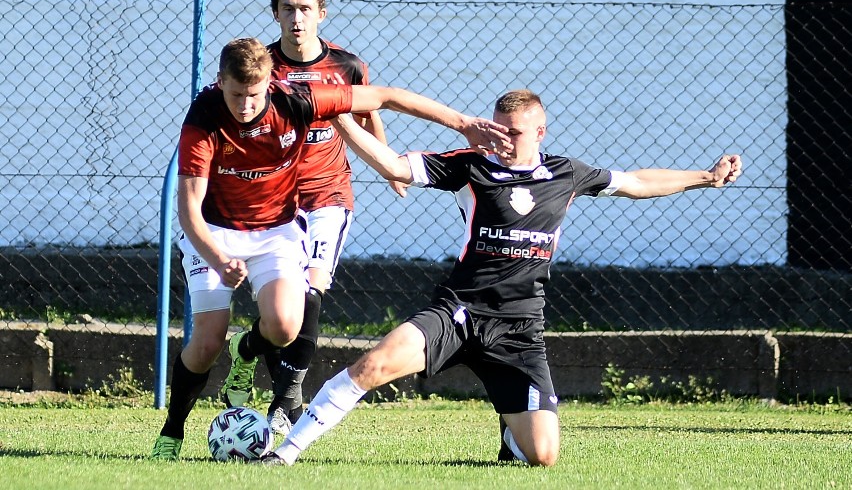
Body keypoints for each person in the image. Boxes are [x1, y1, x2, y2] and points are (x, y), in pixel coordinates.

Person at [257, 89, 743, 467]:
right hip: (459, 311)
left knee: (544, 456)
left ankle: (513, 431)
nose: (508, 138)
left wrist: (706, 176)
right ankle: (286, 452)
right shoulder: (470, 167)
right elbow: (392, 166)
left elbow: (637, 182)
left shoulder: (566, 174)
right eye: (501, 128)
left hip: (519, 328)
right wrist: (337, 117)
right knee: (372, 367)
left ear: (541, 132)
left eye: (518, 131)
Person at [150, 37, 511, 460]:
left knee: (285, 326)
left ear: (270, 82)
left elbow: (386, 97)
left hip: (276, 230)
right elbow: (189, 208)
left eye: (253, 95)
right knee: (205, 343)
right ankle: (172, 432)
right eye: (235, 94)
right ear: (220, 82)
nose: (245, 106)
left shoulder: (297, 100)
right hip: (214, 233)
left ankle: (244, 349)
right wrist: (219, 259)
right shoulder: (205, 117)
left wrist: (462, 123)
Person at [261, 0, 407, 436]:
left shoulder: (347, 66)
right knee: (276, 310)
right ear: (276, 14)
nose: (296, 18)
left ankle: (287, 395)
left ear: (321, 14)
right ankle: (251, 356)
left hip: (329, 193)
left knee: (311, 291)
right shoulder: (261, 67)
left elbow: (369, 114)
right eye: (288, 8)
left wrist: (388, 167)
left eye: (305, 9)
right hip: (273, 200)